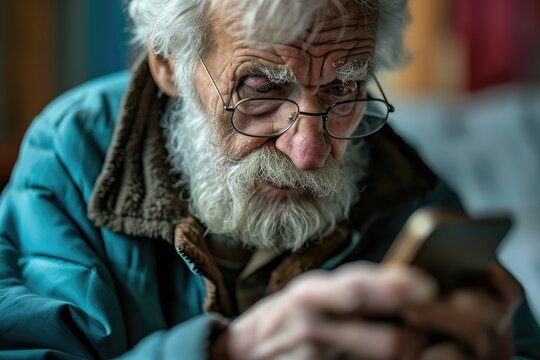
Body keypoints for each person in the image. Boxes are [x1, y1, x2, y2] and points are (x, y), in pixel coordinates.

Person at [0, 0, 539, 358]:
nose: (307, 152)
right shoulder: (76, 152)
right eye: (260, 90)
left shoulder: (401, 182)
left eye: (341, 91)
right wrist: (226, 353)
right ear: (169, 65)